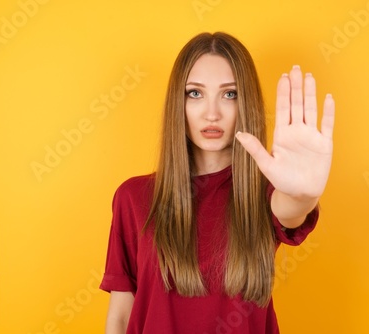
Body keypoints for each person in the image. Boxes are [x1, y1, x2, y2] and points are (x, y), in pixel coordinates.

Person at [100, 31, 335, 334]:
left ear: (245, 102)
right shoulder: (133, 198)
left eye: (230, 94)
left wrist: (302, 194)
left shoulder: (264, 192)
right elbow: (121, 315)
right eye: (195, 93)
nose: (212, 113)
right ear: (178, 102)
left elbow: (290, 209)